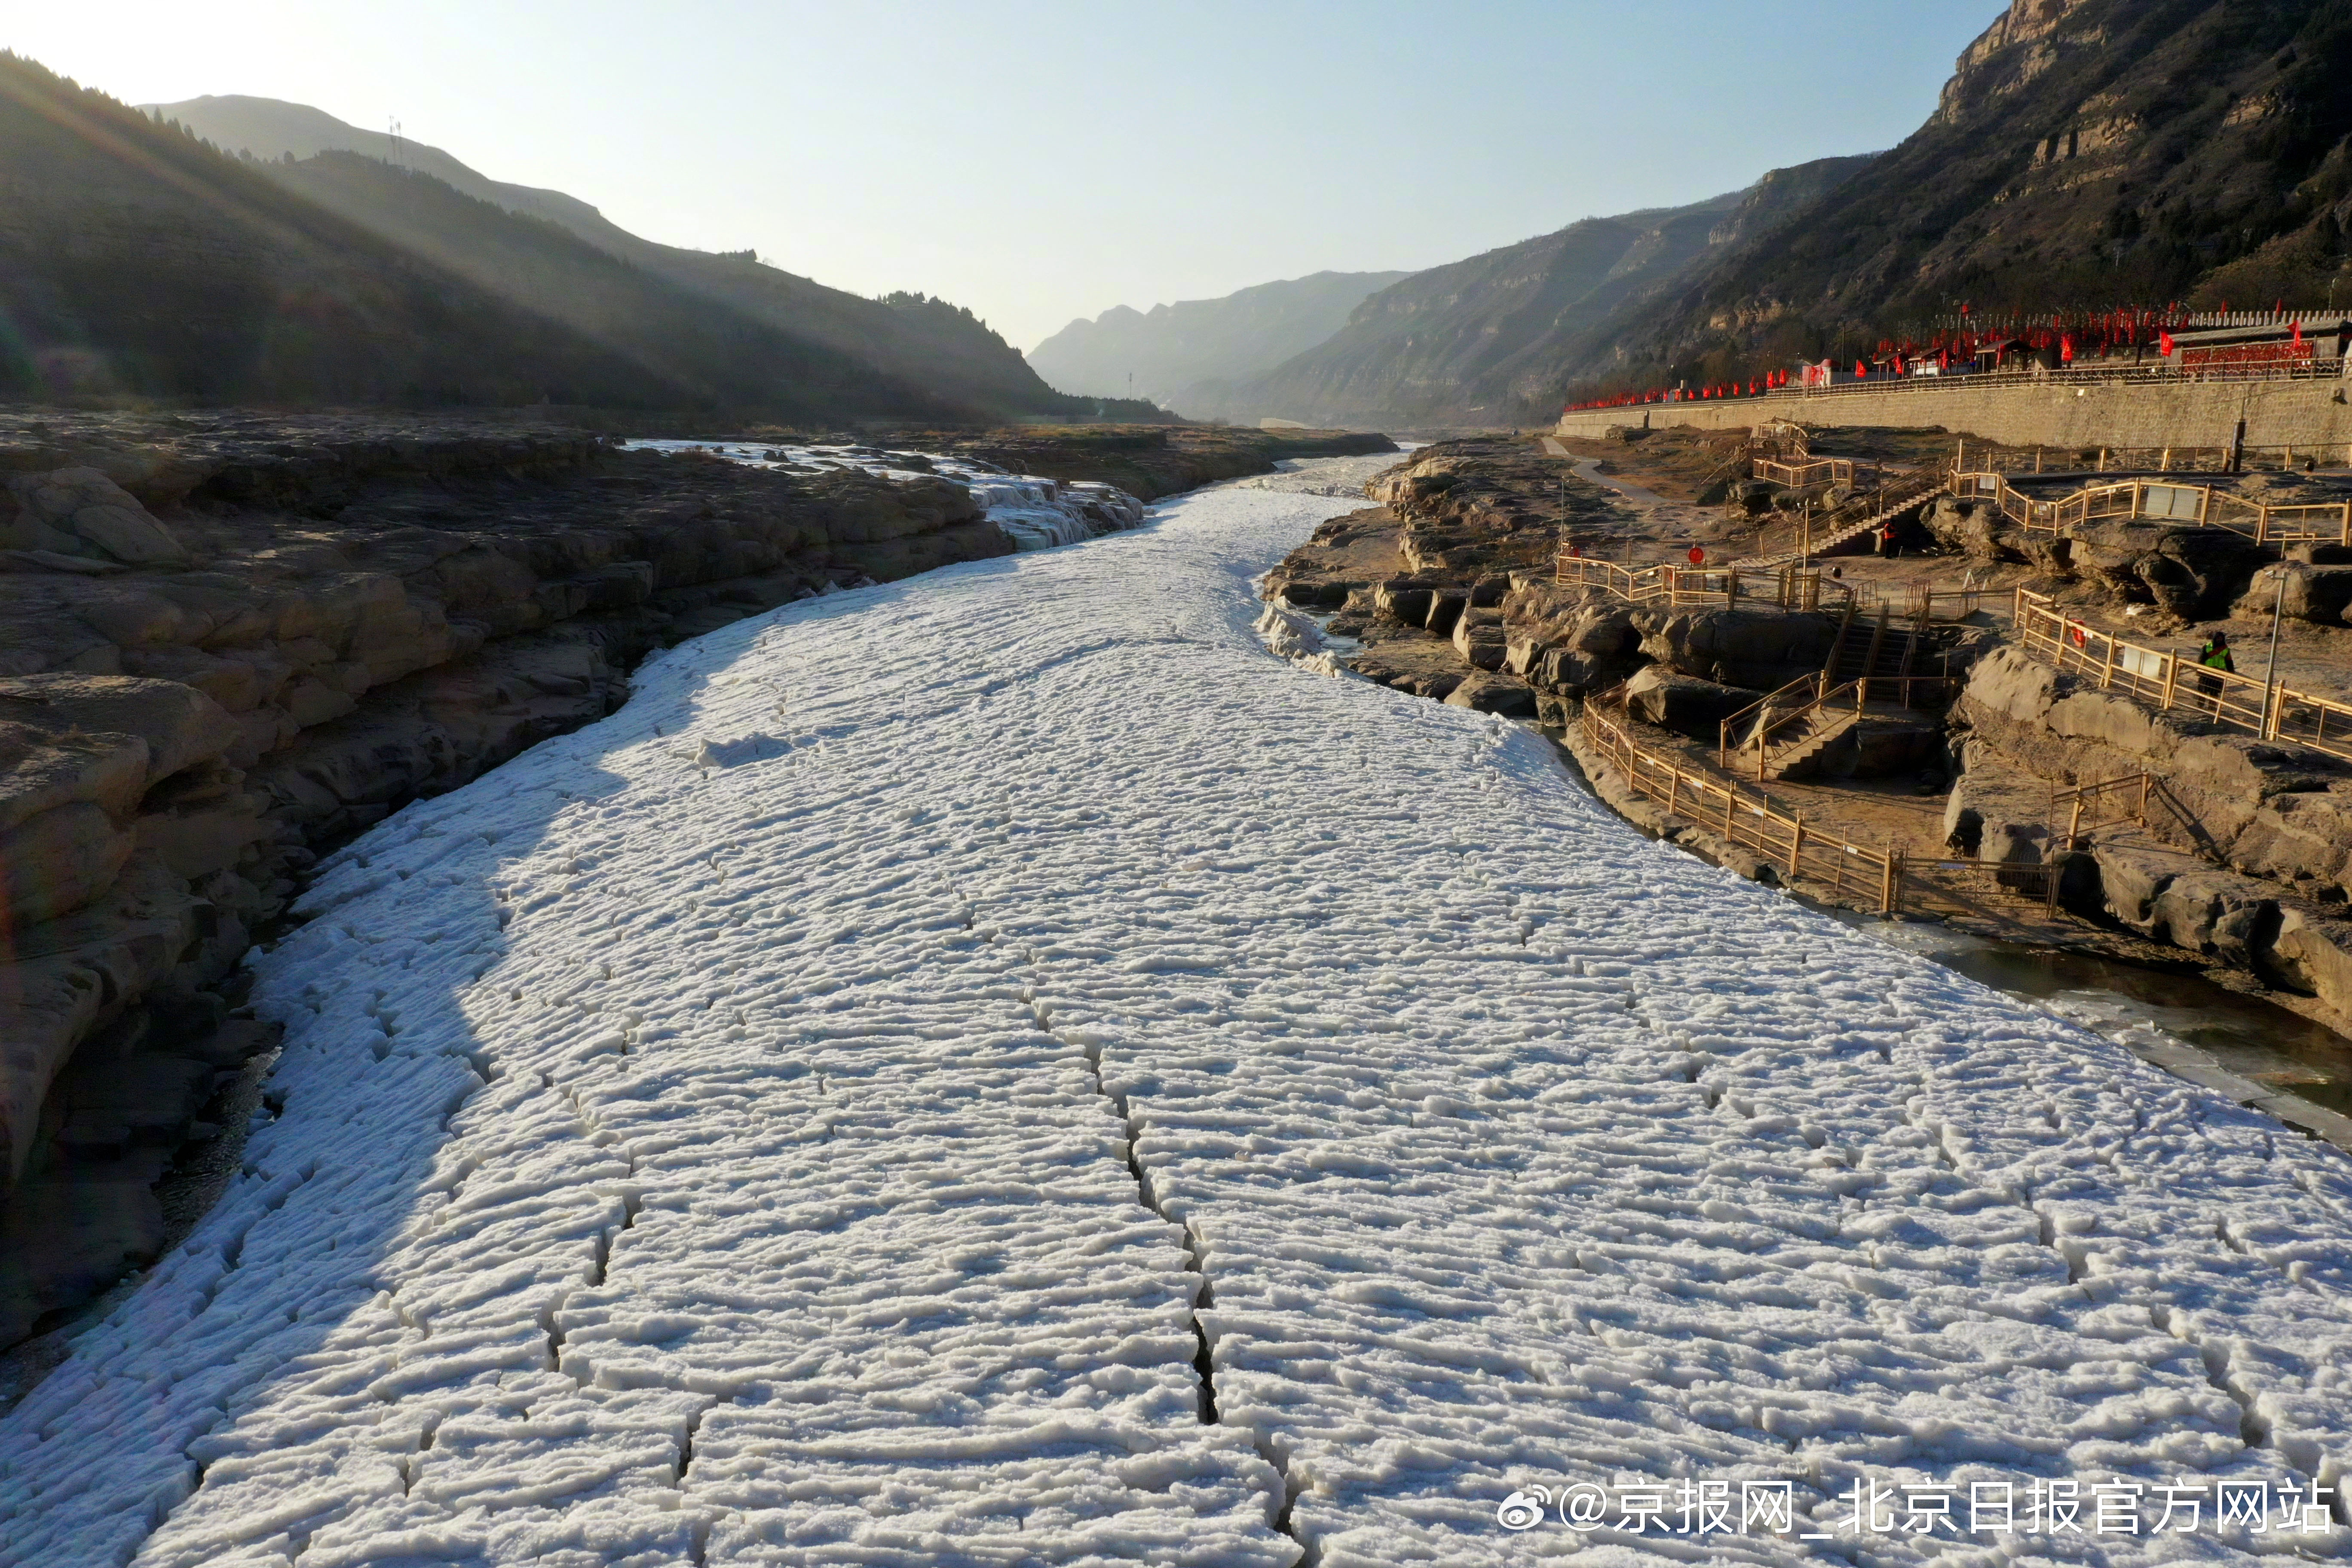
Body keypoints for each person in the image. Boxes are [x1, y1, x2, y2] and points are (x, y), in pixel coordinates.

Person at [2196, 631, 2235, 709]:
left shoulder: (2226, 649)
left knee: (2215, 692)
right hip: (2207, 672)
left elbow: (2229, 662)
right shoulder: (2207, 647)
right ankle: (2200, 706)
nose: (2219, 640)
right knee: (2203, 690)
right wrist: (2199, 670)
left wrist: (2231, 672)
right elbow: (2201, 659)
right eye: (2218, 638)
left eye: (2221, 638)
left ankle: (2212, 708)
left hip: (2219, 673)